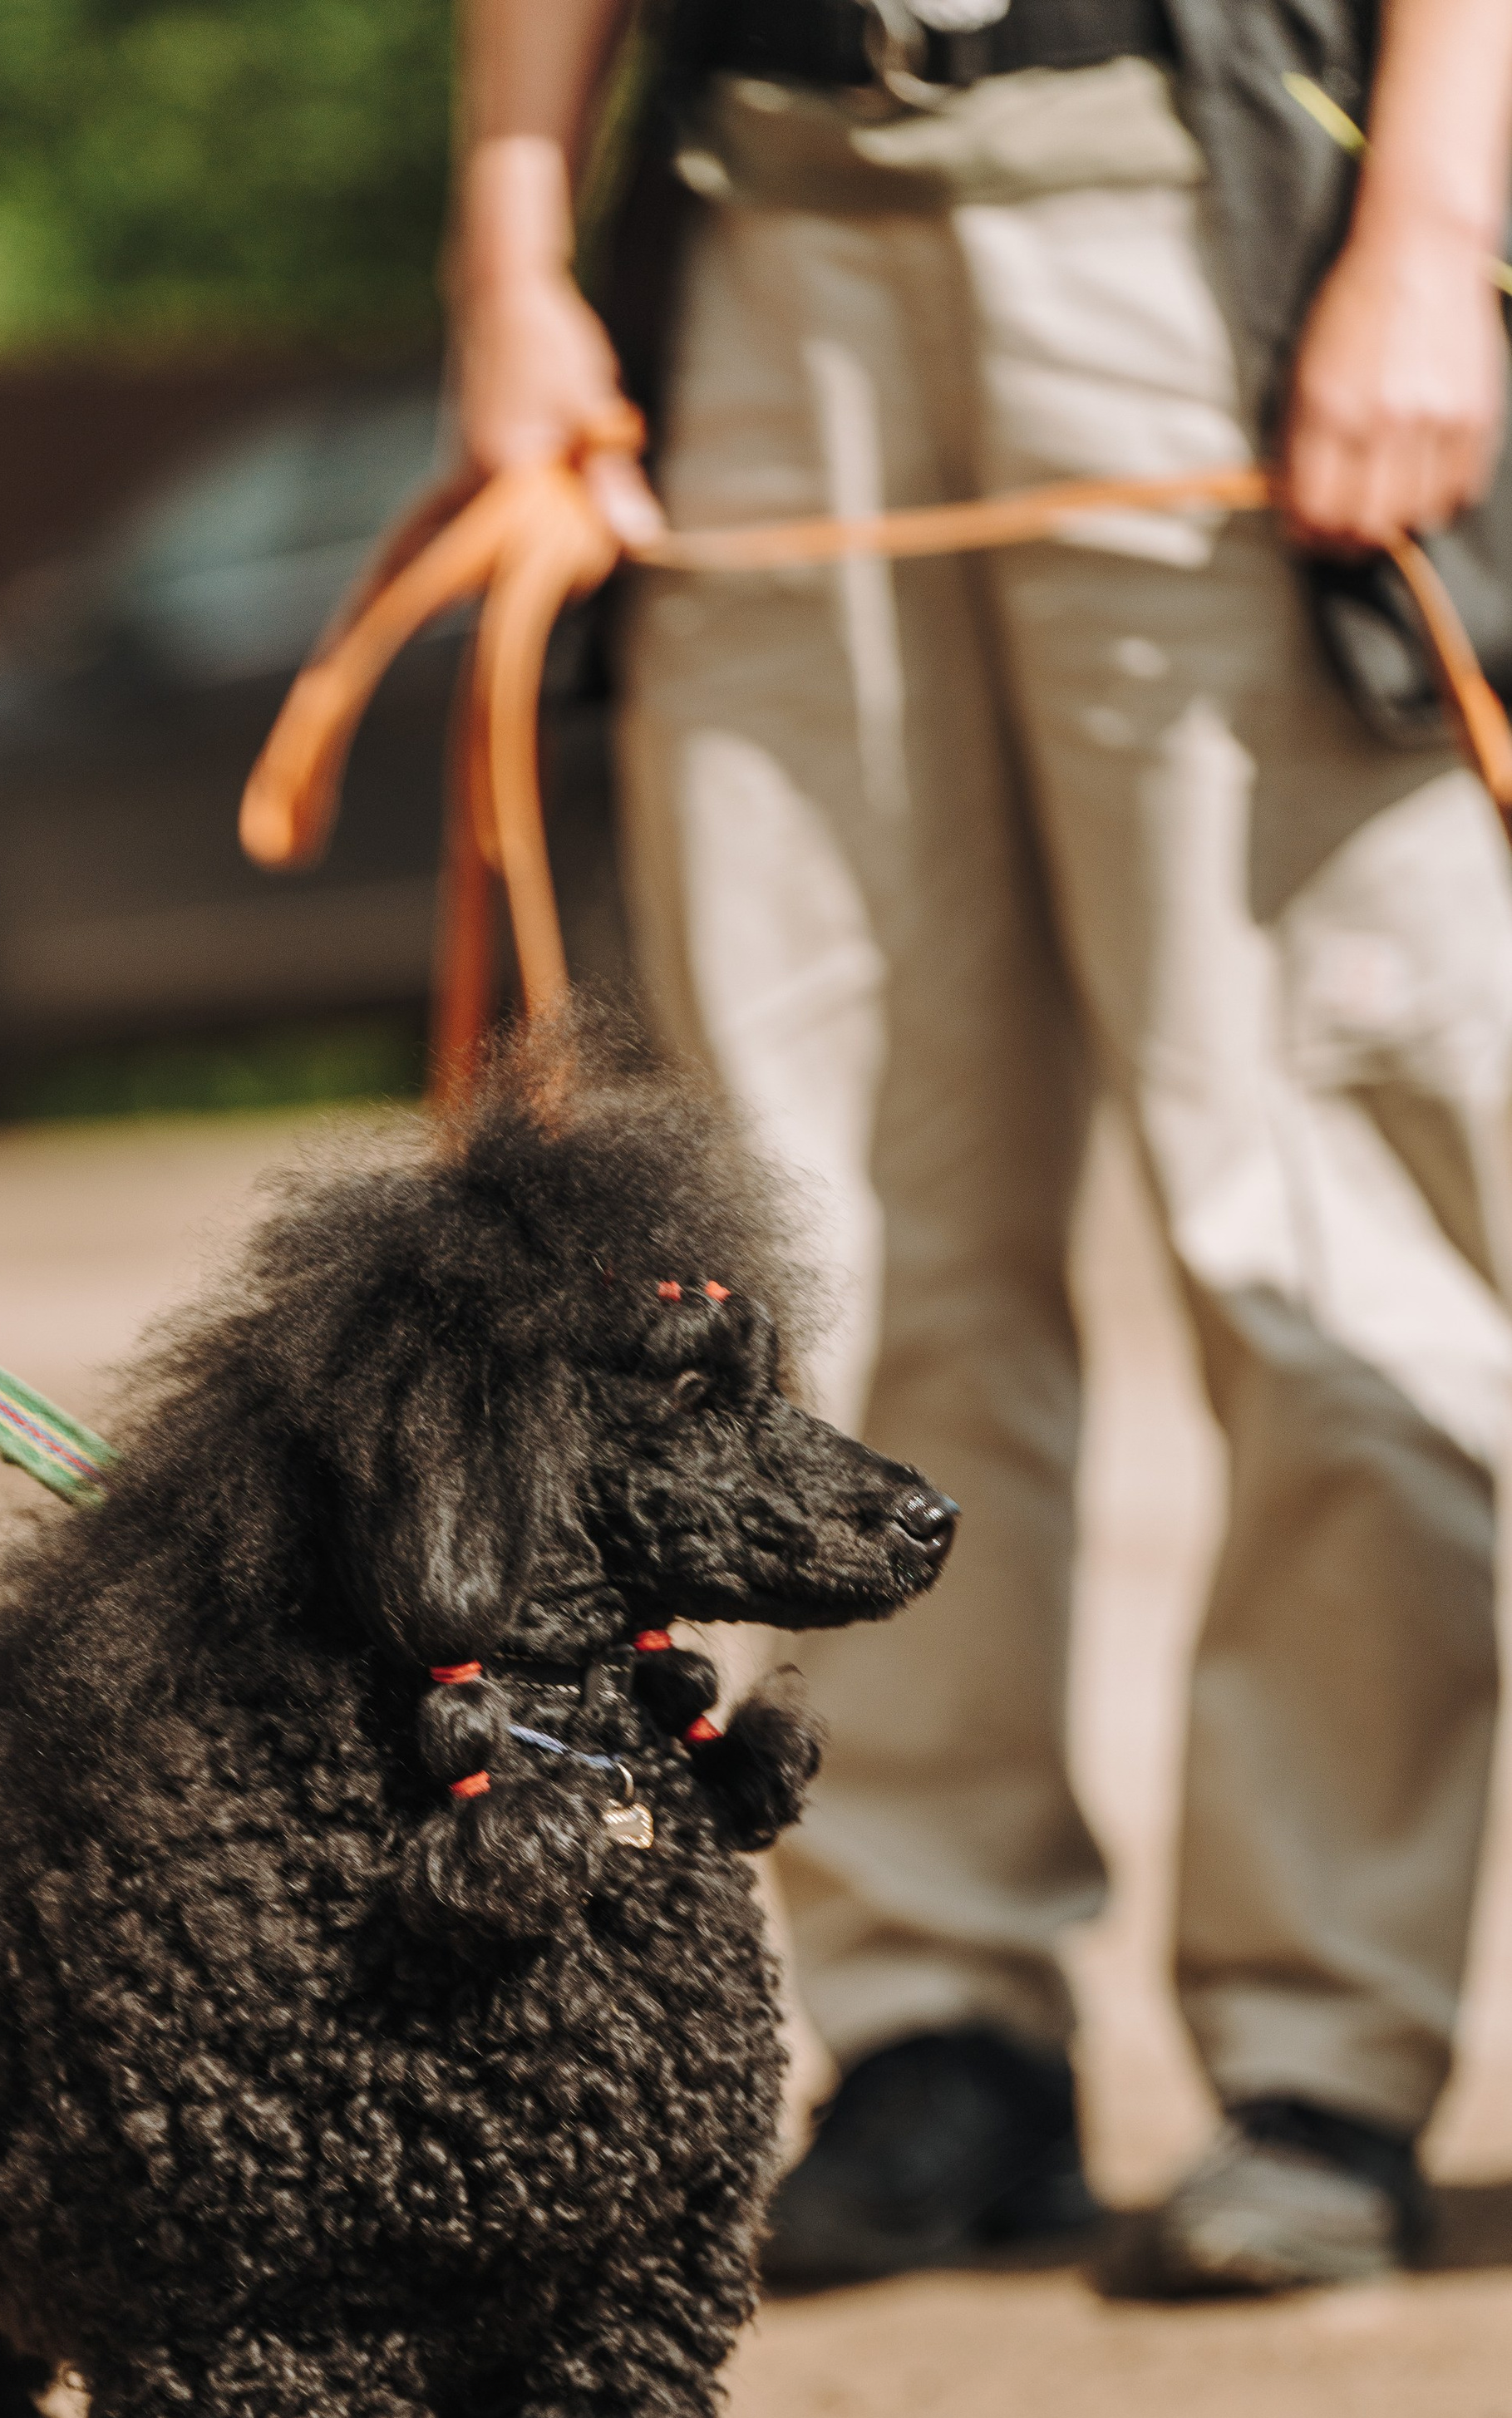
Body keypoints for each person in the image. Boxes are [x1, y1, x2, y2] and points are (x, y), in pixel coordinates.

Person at [451, 0, 1512, 2292]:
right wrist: (513, 254)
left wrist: (1431, 227)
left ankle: (1324, 2049)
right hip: (760, 230)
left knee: (1312, 1228)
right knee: (821, 1245)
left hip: (1185, 208)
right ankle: (942, 2023)